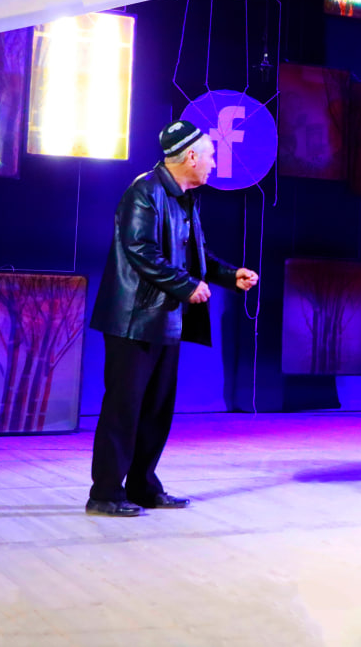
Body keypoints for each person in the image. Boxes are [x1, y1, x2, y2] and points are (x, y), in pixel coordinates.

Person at [85, 120, 259, 516]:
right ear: (191, 157)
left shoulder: (185, 198)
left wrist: (229, 275)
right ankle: (105, 493)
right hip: (133, 320)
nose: (214, 163)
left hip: (165, 319)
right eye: (211, 156)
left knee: (156, 410)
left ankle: (143, 486)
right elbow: (140, 250)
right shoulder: (144, 192)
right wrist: (185, 285)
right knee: (124, 408)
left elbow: (195, 255)